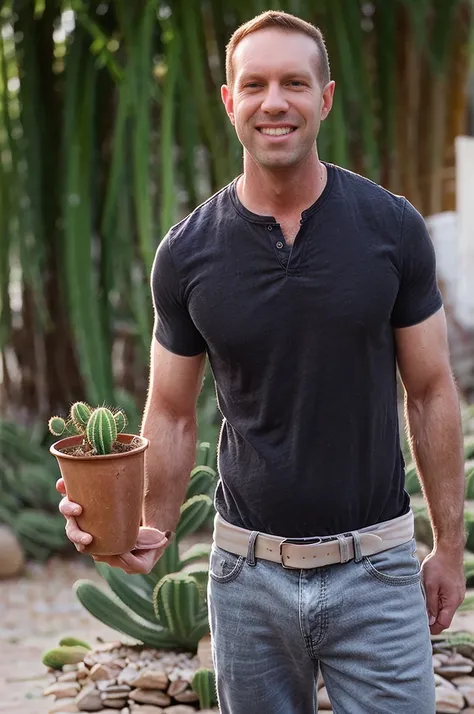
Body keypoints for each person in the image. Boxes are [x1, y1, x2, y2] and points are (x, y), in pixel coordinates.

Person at [57, 10, 466, 713]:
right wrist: (145, 521)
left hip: (376, 569)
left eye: (293, 83)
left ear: (325, 98)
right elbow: (172, 409)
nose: (274, 101)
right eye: (255, 85)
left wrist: (448, 548)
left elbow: (430, 391)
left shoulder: (391, 228)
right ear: (230, 101)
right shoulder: (187, 254)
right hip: (247, 578)